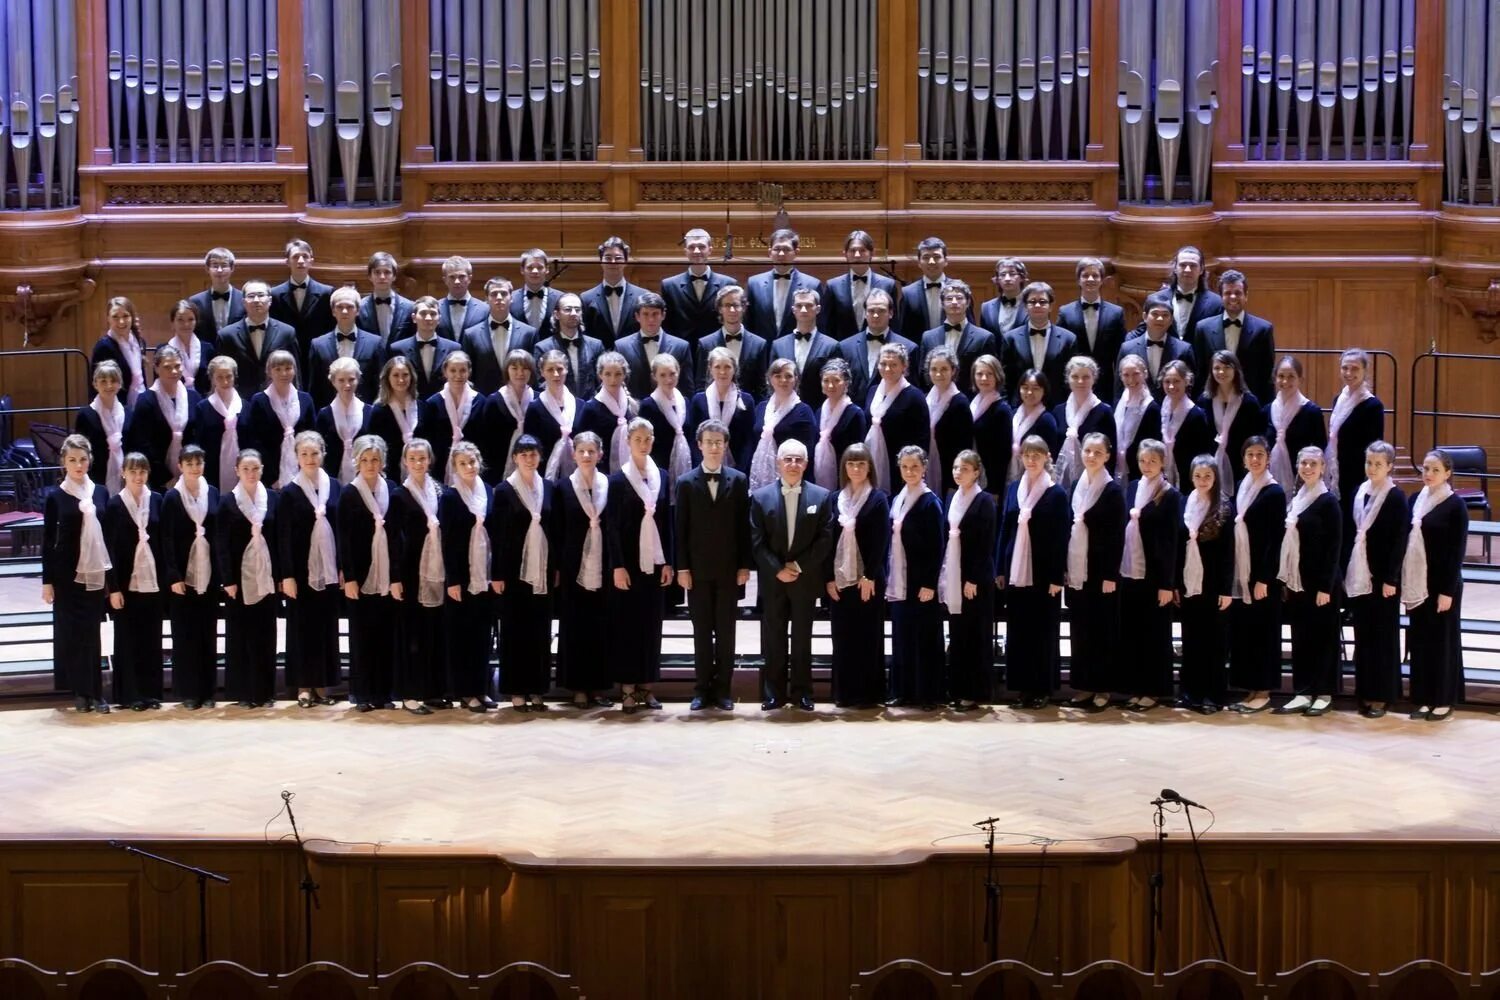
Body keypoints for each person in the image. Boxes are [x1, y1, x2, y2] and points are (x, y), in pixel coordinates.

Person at [750, 439, 835, 710]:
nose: (793, 464)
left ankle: (802, 693)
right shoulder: (760, 497)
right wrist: (778, 569)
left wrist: (797, 567)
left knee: (802, 638)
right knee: (773, 637)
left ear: (806, 464)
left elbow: (825, 539)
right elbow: (756, 541)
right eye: (788, 459)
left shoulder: (821, 496)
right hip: (774, 582)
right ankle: (774, 693)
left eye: (798, 460)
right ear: (778, 463)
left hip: (804, 579)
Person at [676, 420, 752, 710]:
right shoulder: (684, 482)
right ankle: (701, 689)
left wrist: (744, 566)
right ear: (699, 445)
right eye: (709, 442)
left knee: (726, 632)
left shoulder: (739, 479)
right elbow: (680, 528)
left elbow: (744, 528)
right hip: (696, 572)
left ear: (726, 445)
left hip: (729, 571)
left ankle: (723, 690)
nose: (714, 447)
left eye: (719, 442)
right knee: (701, 632)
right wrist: (682, 568)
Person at [42, 435, 114, 712]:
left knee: (92, 633)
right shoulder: (56, 496)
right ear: (63, 462)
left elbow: (107, 536)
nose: (78, 465)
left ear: (90, 461)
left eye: (83, 459)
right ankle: (81, 692)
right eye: (72, 460)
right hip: (66, 575)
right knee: (73, 633)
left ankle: (96, 692)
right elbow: (49, 542)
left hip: (95, 573)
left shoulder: (101, 492)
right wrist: (47, 582)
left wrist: (111, 579)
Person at [607, 418, 674, 713]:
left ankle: (647, 686)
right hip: (630, 564)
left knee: (651, 626)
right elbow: (612, 528)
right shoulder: (618, 479)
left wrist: (668, 561)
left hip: (655, 562)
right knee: (628, 626)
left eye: (648, 439)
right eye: (638, 439)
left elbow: (666, 522)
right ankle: (628, 690)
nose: (644, 444)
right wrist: (618, 566)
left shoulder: (662, 475)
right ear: (628, 442)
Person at [997, 435, 1069, 708]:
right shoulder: (1015, 487)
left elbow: (1060, 537)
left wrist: (1055, 577)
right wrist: (1001, 568)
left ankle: (1042, 688)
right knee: (1019, 631)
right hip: (1016, 571)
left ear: (1047, 458)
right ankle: (1022, 687)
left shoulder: (1056, 493)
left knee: (1043, 632)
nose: (1031, 460)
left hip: (1042, 574)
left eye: (1037, 455)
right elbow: (1006, 529)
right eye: (1027, 455)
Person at [1273, 447, 1343, 716]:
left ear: (1323, 468)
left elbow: (1334, 548)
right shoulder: (1297, 498)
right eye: (1303, 463)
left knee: (1323, 639)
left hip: (1321, 585)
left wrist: (1325, 587)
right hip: (1298, 581)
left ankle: (1323, 692)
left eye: (1313, 463)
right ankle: (1303, 691)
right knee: (1301, 638)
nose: (1308, 468)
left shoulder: (1329, 502)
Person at [492, 435, 560, 712]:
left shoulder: (549, 488)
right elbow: (497, 536)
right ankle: (516, 690)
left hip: (542, 571)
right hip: (513, 573)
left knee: (539, 631)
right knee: (515, 632)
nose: (529, 459)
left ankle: (536, 689)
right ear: (515, 458)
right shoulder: (504, 491)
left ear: (540, 457)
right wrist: (496, 575)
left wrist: (554, 568)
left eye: (533, 454)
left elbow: (554, 531)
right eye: (524, 455)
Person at [277, 430, 343, 707]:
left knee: (326, 628)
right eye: (304, 454)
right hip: (301, 574)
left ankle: (322, 685)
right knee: (302, 629)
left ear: (323, 454)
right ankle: (304, 686)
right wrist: (287, 575)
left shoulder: (336, 487)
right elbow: (283, 537)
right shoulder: (290, 492)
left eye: (314, 453)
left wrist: (342, 569)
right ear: (296, 457)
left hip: (328, 572)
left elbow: (341, 531)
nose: (310, 458)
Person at [1113, 439, 1181, 710]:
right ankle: (1136, 687)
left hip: (1155, 576)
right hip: (1130, 573)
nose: (1147, 465)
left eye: (1153, 460)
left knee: (1155, 635)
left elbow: (1170, 541)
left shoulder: (1169, 494)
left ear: (1162, 462)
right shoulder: (1131, 488)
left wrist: (1167, 583)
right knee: (1133, 634)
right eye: (1143, 460)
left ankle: (1154, 690)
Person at [1402, 450, 1469, 721]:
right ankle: (1423, 697)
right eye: (1426, 469)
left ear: (1448, 474)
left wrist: (1447, 591)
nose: (1428, 474)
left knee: (1443, 642)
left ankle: (1443, 699)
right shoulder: (1415, 499)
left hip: (1443, 584)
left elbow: (1456, 552)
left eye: (1435, 470)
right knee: (1420, 640)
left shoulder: (1456, 506)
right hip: (1419, 582)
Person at [1343, 441, 1408, 719]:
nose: (1372, 468)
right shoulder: (1359, 492)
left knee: (1383, 637)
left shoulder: (1395, 498)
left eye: (1378, 464)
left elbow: (1398, 542)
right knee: (1364, 636)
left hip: (1383, 579)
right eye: (1369, 462)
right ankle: (1365, 690)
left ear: (1390, 466)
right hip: (1361, 575)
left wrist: (1391, 578)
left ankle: (1382, 695)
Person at [336, 435, 400, 712]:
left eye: (375, 459)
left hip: (386, 575)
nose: (370, 464)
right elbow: (344, 539)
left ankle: (384, 693)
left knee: (386, 636)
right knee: (362, 637)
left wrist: (397, 575)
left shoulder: (392, 489)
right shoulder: (349, 493)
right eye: (365, 459)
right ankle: (362, 694)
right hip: (360, 577)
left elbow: (397, 536)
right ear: (357, 462)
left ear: (383, 461)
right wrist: (348, 577)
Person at [1063, 432, 1125, 713]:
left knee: (1102, 631)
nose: (1091, 456)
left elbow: (1115, 537)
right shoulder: (1077, 484)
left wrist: (1111, 575)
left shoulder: (1112, 490)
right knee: (1081, 631)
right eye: (1087, 451)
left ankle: (1103, 687)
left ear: (1108, 456)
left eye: (1097, 453)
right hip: (1078, 571)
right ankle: (1085, 684)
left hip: (1101, 574)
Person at [825, 443, 890, 708]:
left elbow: (880, 541)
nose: (856, 468)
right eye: (851, 464)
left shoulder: (878, 498)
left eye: (861, 464)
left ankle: (867, 695)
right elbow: (828, 541)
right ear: (844, 468)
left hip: (867, 581)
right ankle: (844, 693)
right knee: (842, 637)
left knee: (867, 636)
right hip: (840, 581)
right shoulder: (833, 499)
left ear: (869, 468)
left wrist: (870, 576)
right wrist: (828, 578)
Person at [555, 431, 615, 709]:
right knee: (575, 627)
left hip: (603, 565)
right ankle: (578, 688)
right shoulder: (563, 487)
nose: (587, 456)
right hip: (573, 567)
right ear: (574, 455)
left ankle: (600, 687)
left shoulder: (609, 485)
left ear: (601, 455)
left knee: (601, 626)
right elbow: (557, 529)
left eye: (592, 451)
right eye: (582, 451)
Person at [217, 449, 281, 708]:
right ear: (237, 471)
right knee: (241, 635)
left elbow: (277, 540)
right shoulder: (227, 502)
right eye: (246, 469)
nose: (251, 474)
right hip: (239, 580)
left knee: (266, 635)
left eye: (255, 469)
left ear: (262, 469)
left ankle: (265, 691)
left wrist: (278, 574)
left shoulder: (273, 499)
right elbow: (221, 544)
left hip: (266, 577)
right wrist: (228, 580)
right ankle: (244, 692)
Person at [1226, 437, 1285, 713]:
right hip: (1242, 572)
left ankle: (1264, 690)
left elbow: (1275, 540)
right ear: (1243, 459)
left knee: (1264, 633)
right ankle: (1251, 689)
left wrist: (1264, 578)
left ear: (1268, 458)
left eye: (1260, 454)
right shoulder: (1242, 485)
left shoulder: (1274, 492)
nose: (1255, 459)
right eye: (1250, 454)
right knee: (1246, 633)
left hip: (1262, 577)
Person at [884, 446, 946, 710]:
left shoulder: (930, 502)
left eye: (915, 467)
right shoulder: (898, 498)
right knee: (903, 636)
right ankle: (904, 690)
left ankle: (929, 694)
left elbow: (937, 547)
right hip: (900, 581)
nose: (909, 471)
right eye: (905, 467)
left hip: (921, 583)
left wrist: (929, 584)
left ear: (924, 469)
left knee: (925, 638)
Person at [390, 438, 448, 713]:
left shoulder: (439, 490)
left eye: (422, 458)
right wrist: (395, 578)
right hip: (410, 573)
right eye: (412, 459)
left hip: (436, 572)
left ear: (430, 460)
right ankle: (409, 693)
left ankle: (431, 690)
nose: (418, 463)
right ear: (404, 462)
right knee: (410, 635)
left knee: (434, 632)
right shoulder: (399, 496)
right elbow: (393, 539)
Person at [103, 453, 165, 710]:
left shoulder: (157, 500)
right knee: (128, 640)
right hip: (127, 584)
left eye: (142, 472)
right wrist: (114, 588)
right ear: (123, 474)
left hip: (152, 582)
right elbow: (110, 550)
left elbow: (163, 542)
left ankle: (150, 693)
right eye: (133, 472)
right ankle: (130, 695)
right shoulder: (116, 505)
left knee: (151, 639)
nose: (138, 477)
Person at [161, 445, 219, 709]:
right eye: (189, 464)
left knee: (207, 635)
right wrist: (173, 575)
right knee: (185, 636)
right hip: (183, 578)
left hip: (207, 575)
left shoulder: (214, 493)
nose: (195, 468)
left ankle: (207, 691)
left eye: (199, 463)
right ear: (180, 467)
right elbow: (167, 540)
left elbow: (218, 535)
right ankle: (188, 692)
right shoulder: (172, 498)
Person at [440, 441, 496, 713]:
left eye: (472, 461)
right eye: (463, 463)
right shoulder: (450, 497)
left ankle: (481, 688)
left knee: (482, 637)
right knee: (462, 637)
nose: (469, 467)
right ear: (455, 467)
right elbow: (448, 543)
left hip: (484, 575)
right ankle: (465, 691)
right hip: (461, 579)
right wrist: (452, 580)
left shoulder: (488, 490)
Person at [1176, 455, 1234, 714]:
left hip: (1213, 585)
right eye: (1198, 476)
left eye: (1207, 476)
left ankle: (1214, 695)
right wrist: (1176, 584)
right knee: (1191, 639)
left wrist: (1225, 590)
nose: (1202, 481)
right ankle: (1191, 692)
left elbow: (1228, 552)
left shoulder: (1223, 507)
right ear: (1191, 477)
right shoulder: (1184, 503)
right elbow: (1178, 547)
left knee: (1214, 642)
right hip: (1190, 584)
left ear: (1215, 478)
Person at [944, 450, 998, 711]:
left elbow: (984, 544)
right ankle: (958, 687)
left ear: (977, 472)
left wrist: (973, 578)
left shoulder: (984, 500)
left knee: (975, 635)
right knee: (958, 634)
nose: (958, 472)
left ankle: (975, 691)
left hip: (975, 579)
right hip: (956, 575)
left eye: (964, 468)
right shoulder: (952, 498)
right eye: (956, 467)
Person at [1191, 269, 1275, 404]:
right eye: (1227, 293)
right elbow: (1200, 372)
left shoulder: (1263, 329)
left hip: (1249, 405)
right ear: (1221, 297)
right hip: (1213, 402)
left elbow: (1267, 376)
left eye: (1238, 293)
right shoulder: (1203, 328)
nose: (1233, 297)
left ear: (1246, 295)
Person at [126, 345, 200, 490]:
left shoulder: (194, 397)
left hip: (190, 474)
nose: (173, 371)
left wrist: (190, 471)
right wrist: (165, 478)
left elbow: (198, 438)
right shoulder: (146, 400)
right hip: (158, 479)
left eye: (177, 366)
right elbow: (142, 443)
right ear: (156, 369)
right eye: (167, 367)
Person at [1327, 348, 1386, 529]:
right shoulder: (1339, 399)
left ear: (1364, 371)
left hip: (1357, 474)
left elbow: (1375, 447)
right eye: (1345, 368)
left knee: (1354, 526)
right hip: (1337, 470)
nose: (1349, 373)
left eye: (1355, 368)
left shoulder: (1373, 405)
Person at [862, 343, 929, 494]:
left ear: (904, 367)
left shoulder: (915, 396)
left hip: (901, 468)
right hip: (872, 460)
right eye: (883, 364)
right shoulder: (872, 391)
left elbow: (922, 439)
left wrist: (911, 469)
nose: (887, 369)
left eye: (893, 364)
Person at [243, 350, 315, 489]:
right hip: (270, 476)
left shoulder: (306, 399)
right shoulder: (259, 400)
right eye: (278, 369)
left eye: (288, 368)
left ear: (294, 371)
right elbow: (255, 441)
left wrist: (306, 470)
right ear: (269, 372)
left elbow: (312, 437)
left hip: (304, 471)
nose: (284, 373)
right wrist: (272, 477)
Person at [215, 279, 299, 396]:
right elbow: (221, 372)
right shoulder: (227, 335)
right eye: (251, 296)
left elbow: (295, 372)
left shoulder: (287, 332)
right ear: (244, 302)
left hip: (278, 397)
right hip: (240, 401)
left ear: (270, 300)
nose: (256, 300)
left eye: (260, 295)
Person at [1056, 258, 1127, 394]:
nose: (1090, 279)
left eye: (1095, 275)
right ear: (1078, 280)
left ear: (1101, 280)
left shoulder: (1116, 313)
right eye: (1085, 275)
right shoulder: (1065, 312)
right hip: (1075, 383)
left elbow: (1120, 353)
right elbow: (1061, 352)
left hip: (1105, 384)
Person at [306, 286, 385, 409]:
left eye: (349, 307)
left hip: (366, 413)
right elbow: (314, 388)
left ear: (358, 310)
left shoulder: (375, 343)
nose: (344, 311)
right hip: (330, 415)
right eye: (339, 307)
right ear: (333, 311)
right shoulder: (317, 345)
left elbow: (381, 385)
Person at [999, 282, 1075, 406]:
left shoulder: (1069, 339)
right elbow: (1005, 380)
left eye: (1043, 301)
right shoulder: (1010, 338)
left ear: (1051, 306)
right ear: (1025, 306)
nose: (1037, 305)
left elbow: (1069, 379)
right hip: (1020, 407)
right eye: (1032, 301)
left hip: (1056, 407)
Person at [421, 350, 491, 481]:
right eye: (453, 370)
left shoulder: (481, 401)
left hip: (471, 466)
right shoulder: (432, 403)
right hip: (440, 468)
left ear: (469, 372)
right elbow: (428, 440)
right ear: (445, 372)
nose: (458, 375)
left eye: (463, 370)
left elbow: (486, 440)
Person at [748, 358, 817, 491]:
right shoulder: (761, 408)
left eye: (788, 376)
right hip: (760, 478)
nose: (783, 380)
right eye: (778, 376)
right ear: (769, 379)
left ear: (796, 379)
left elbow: (808, 453)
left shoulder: (804, 411)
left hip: (793, 480)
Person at [916, 280, 995, 395]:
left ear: (967, 302)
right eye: (949, 299)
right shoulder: (928, 337)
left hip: (971, 402)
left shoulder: (984, 338)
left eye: (959, 298)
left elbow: (988, 375)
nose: (954, 302)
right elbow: (923, 374)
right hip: (935, 401)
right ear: (942, 304)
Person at [660, 226, 738, 345]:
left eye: (701, 247)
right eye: (692, 247)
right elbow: (667, 324)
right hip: (683, 351)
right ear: (685, 251)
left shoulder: (728, 284)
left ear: (710, 250)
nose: (696, 251)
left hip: (717, 350)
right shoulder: (669, 285)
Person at [839, 287, 916, 404]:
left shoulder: (909, 348)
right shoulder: (845, 347)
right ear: (865, 313)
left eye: (881, 311)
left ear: (891, 313)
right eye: (871, 311)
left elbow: (912, 392)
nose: (875, 315)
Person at [694, 284, 772, 401]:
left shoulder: (759, 344)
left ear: (744, 308)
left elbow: (762, 387)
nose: (732, 310)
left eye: (736, 305)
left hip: (747, 410)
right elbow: (701, 385)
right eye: (727, 305)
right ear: (720, 309)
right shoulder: (705, 344)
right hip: (713, 409)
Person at [745, 227, 824, 340]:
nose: (781, 254)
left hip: (797, 349)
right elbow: (748, 322)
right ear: (769, 252)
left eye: (786, 249)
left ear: (796, 252)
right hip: (763, 352)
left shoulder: (812, 284)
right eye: (777, 249)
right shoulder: (754, 283)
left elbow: (820, 325)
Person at [463, 276, 539, 395]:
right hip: (484, 402)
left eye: (503, 293)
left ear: (511, 298)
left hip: (521, 400)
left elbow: (534, 372)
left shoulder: (529, 333)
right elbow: (468, 374)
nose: (499, 297)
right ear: (486, 299)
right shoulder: (471, 335)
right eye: (494, 294)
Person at [1050, 356, 1116, 492]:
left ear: (1094, 379)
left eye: (1086, 377)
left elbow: (1111, 453)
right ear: (1068, 379)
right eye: (1075, 376)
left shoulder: (1104, 411)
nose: (1080, 381)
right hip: (1061, 483)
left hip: (1095, 484)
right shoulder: (1058, 411)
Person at [1202, 350, 1263, 496]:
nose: (1221, 371)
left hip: (1241, 466)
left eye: (1227, 367)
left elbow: (1255, 438)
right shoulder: (1204, 400)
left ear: (1236, 369)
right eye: (1217, 368)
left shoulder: (1250, 403)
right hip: (1211, 465)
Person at [1265, 356, 1327, 496]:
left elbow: (1320, 450)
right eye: (1281, 376)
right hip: (1270, 481)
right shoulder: (1266, 411)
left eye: (1291, 376)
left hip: (1304, 482)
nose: (1285, 381)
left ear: (1301, 380)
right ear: (1275, 379)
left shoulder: (1312, 412)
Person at [614, 291, 696, 398]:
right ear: (637, 316)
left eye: (655, 314)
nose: (651, 319)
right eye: (645, 314)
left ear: (663, 315)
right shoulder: (621, 347)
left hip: (670, 412)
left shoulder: (681, 347)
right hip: (634, 412)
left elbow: (687, 389)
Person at [269, 238, 336, 367]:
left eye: (305, 256)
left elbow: (330, 329)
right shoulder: (274, 294)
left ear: (311, 261)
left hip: (318, 357)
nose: (300, 261)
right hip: (286, 357)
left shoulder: (327, 293)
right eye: (295, 257)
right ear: (287, 262)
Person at [823, 228, 899, 341]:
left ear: (871, 253)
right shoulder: (833, 286)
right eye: (852, 251)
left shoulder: (888, 285)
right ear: (845, 254)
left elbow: (894, 324)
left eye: (862, 250)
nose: (857, 255)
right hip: (842, 351)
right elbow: (827, 327)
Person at [686, 347, 755, 471]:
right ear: (710, 369)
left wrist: (741, 470)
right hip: (705, 466)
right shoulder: (698, 400)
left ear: (734, 369)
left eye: (727, 367)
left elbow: (749, 440)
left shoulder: (747, 400)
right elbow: (693, 439)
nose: (722, 372)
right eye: (717, 367)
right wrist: (701, 467)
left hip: (738, 468)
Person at [769, 289, 841, 408]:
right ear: (793, 310)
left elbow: (836, 383)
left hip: (819, 410)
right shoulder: (778, 345)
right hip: (783, 410)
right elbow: (772, 381)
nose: (803, 310)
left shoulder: (832, 346)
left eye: (808, 305)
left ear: (818, 309)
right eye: (799, 306)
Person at [638, 353, 696, 501]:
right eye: (662, 375)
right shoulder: (648, 405)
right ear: (654, 376)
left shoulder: (685, 401)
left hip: (686, 465)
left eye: (672, 374)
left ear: (678, 373)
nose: (668, 379)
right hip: (660, 468)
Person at [1116, 293, 1195, 398]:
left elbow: (1191, 387)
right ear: (1145, 317)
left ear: (1171, 320)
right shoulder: (1127, 348)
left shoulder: (1184, 350)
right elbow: (1118, 388)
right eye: (1155, 314)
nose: (1160, 319)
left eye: (1165, 315)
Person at [579, 236, 651, 347]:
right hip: (600, 360)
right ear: (601, 262)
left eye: (618, 258)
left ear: (626, 262)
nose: (613, 262)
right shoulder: (586, 298)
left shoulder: (642, 295)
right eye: (608, 257)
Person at [533, 292, 606, 399]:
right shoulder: (543, 348)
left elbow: (603, 379)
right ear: (556, 314)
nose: (573, 313)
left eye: (577, 309)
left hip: (590, 408)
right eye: (568, 309)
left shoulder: (596, 345)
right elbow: (540, 383)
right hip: (557, 407)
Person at [389, 296, 462, 400]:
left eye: (433, 314)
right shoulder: (397, 348)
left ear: (439, 319)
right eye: (423, 313)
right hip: (410, 405)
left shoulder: (454, 348)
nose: (428, 318)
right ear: (414, 318)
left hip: (444, 407)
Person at [1155, 360, 1213, 488]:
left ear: (1186, 381)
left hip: (1189, 480)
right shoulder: (1163, 409)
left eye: (1176, 381)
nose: (1171, 386)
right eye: (1167, 382)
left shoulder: (1196, 415)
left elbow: (1203, 454)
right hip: (1164, 477)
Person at [924, 347, 973, 495]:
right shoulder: (926, 398)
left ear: (953, 371)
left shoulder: (960, 403)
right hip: (927, 466)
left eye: (944, 369)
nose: (938, 374)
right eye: (934, 369)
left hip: (950, 472)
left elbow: (964, 445)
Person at [812, 358, 867, 491]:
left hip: (846, 478)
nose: (831, 386)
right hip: (818, 474)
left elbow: (858, 453)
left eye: (836, 380)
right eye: (826, 381)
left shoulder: (855, 413)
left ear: (846, 383)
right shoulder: (819, 411)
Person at [523, 350, 579, 479]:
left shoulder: (580, 405)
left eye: (560, 369)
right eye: (550, 370)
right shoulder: (534, 408)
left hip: (577, 474)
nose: (556, 374)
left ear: (567, 370)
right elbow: (531, 447)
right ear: (542, 372)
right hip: (544, 474)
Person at [76, 361, 130, 494]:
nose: (109, 385)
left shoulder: (129, 413)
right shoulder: (85, 415)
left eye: (113, 380)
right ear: (95, 384)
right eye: (103, 381)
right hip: (95, 480)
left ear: (120, 383)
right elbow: (80, 451)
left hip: (126, 478)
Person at [482, 349, 536, 481]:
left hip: (532, 466)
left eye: (525, 368)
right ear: (507, 370)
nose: (520, 373)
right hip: (498, 470)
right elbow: (486, 442)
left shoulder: (538, 399)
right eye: (514, 368)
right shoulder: (493, 401)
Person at [368, 356, 424, 481]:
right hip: (390, 474)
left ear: (412, 377)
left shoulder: (421, 406)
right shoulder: (379, 410)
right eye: (395, 375)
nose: (401, 379)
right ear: (387, 378)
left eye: (405, 374)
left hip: (419, 470)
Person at [316, 356, 370, 485]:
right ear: (333, 382)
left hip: (365, 477)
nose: (347, 385)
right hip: (332, 479)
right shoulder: (324, 414)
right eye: (341, 380)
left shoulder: (369, 411)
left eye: (351, 379)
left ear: (358, 380)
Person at [195, 356, 244, 496]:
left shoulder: (245, 406)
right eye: (220, 377)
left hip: (243, 471)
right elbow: (200, 444)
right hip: (212, 472)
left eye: (229, 376)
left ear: (235, 376)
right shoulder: (203, 408)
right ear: (212, 378)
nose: (225, 381)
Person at [90, 296, 149, 405]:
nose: (121, 321)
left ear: (132, 317)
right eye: (115, 317)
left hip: (141, 402)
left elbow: (141, 378)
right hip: (118, 407)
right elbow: (95, 385)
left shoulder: (139, 341)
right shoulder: (104, 347)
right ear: (108, 318)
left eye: (125, 316)